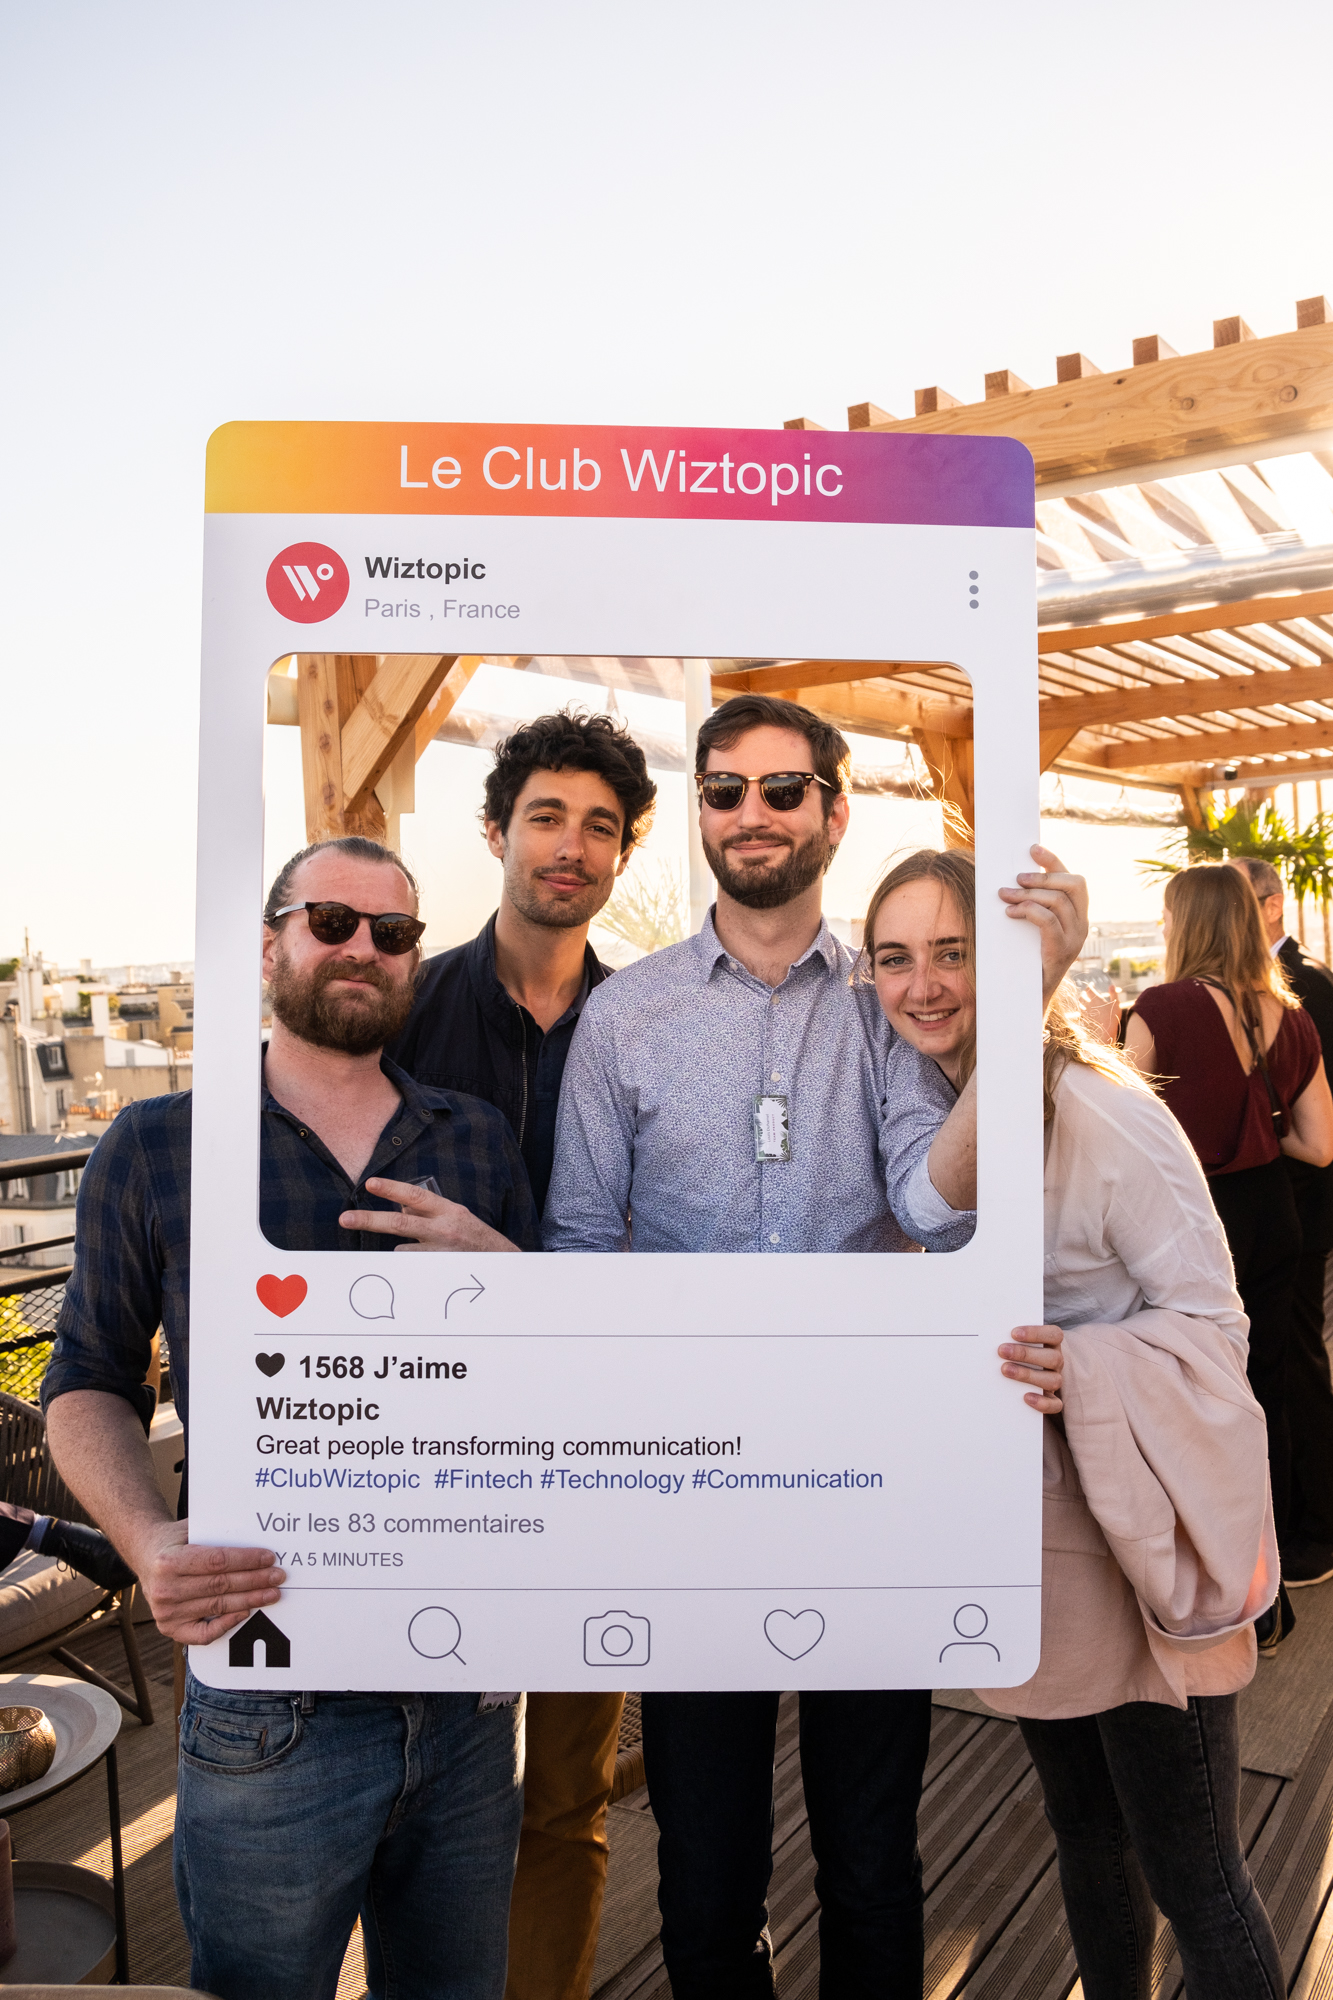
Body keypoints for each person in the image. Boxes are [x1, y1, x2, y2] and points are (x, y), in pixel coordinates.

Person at [543, 693, 1085, 1997]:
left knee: (872, 1857)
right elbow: (579, 1248)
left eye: (783, 789)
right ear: (700, 815)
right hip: (686, 1494)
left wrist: (1019, 1002)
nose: (753, 813)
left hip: (864, 1486)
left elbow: (933, 1209)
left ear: (834, 816)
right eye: (724, 790)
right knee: (704, 1868)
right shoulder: (627, 1017)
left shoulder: (882, 999)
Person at [43, 835, 538, 2000]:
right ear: (269, 944)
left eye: (392, 930)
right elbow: (87, 1380)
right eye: (330, 920)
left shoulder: (477, 1137)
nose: (362, 946)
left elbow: (548, 1386)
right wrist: (146, 1542)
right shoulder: (158, 1143)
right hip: (269, 1695)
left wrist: (506, 1272)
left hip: (468, 1690)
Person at [867, 845, 1285, 2000]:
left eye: (953, 952)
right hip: (1037, 1542)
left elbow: (1216, 1323)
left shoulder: (1103, 1110)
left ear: (1011, 958)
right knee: (1087, 1833)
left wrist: (1085, 1365)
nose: (922, 984)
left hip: (1141, 1534)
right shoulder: (937, 1107)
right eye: (894, 957)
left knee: (1195, 1869)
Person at [387, 709, 657, 2000]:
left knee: (566, 1797)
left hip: (604, 1453)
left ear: (623, 853)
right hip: (432, 1458)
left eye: (599, 826)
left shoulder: (650, 1025)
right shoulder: (402, 1010)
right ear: (495, 830)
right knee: (418, 1793)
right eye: (546, 816)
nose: (571, 846)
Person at [1125, 864, 1333, 1635]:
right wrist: (1256, 1136)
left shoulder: (1159, 1009)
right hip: (1272, 1217)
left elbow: (1126, 1137)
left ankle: (1202, 1589)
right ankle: (1266, 1596)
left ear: (1184, 924)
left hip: (1190, 1226)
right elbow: (1319, 1144)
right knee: (1262, 1397)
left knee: (1188, 1406)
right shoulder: (1290, 1014)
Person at [1233, 855, 1333, 1587]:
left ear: (1271, 906)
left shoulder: (1303, 985)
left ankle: (1317, 1530)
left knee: (1296, 1361)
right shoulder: (1269, 983)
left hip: (1302, 1198)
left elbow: (1317, 1120)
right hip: (1288, 1199)